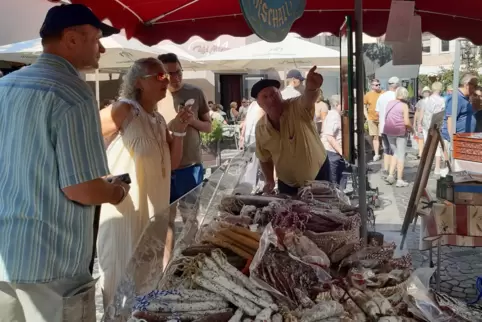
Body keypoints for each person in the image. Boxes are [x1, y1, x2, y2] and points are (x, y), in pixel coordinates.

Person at [0, 4, 131, 322]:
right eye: (96, 38)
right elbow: (81, 189)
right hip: (51, 259)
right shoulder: (73, 93)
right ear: (71, 39)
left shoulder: (6, 86)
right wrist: (115, 193)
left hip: (7, 255)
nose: (101, 48)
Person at [98, 57, 193, 308]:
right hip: (126, 212)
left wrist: (180, 129)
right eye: (160, 76)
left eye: (168, 76)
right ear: (139, 82)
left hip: (155, 212)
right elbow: (84, 135)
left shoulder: (158, 119)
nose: (168, 80)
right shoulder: (124, 110)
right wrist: (98, 180)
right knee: (118, 280)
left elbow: (172, 163)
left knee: (146, 279)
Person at [255, 66, 329, 195]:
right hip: (287, 183)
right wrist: (269, 180)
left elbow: (307, 100)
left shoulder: (296, 107)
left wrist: (311, 88)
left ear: (280, 94)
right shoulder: (260, 128)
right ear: (259, 103)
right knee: (289, 214)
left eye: (274, 94)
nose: (271, 99)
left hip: (318, 175)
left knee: (324, 213)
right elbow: (264, 158)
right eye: (265, 97)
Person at [158, 53, 212, 205]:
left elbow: (208, 127)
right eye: (170, 74)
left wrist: (192, 120)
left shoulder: (195, 92)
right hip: (162, 167)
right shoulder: (154, 95)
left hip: (190, 165)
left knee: (191, 218)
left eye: (178, 72)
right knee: (165, 219)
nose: (176, 78)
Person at [440, 73, 478, 160]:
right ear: (466, 85)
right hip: (454, 141)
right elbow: (450, 120)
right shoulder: (456, 98)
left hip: (462, 139)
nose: (475, 89)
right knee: (453, 169)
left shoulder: (465, 98)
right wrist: (454, 141)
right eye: (474, 86)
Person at [383, 87, 414, 187]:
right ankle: (400, 179)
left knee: (395, 153)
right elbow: (406, 122)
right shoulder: (404, 105)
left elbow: (386, 117)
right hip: (400, 132)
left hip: (388, 131)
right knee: (400, 155)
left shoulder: (389, 103)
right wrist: (412, 130)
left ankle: (391, 175)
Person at [420, 82, 446, 176]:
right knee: (437, 146)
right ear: (440, 89)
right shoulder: (442, 100)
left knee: (427, 145)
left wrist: (419, 123)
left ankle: (425, 166)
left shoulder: (426, 100)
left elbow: (422, 112)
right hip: (438, 125)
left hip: (427, 125)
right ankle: (437, 168)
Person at [376, 76, 400, 177]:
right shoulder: (397, 97)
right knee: (395, 150)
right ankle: (391, 171)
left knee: (386, 149)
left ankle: (386, 168)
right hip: (394, 128)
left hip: (383, 127)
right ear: (397, 85)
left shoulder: (382, 96)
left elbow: (377, 113)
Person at [321, 95, 345, 184]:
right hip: (332, 152)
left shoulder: (333, 114)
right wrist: (341, 152)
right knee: (333, 181)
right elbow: (329, 136)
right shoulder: (333, 116)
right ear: (337, 104)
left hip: (333, 152)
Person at [364, 78, 384, 161]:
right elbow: (364, 106)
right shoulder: (368, 95)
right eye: (376, 85)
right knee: (375, 137)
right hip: (372, 119)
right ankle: (376, 153)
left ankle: (384, 152)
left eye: (378, 84)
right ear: (372, 86)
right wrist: (367, 117)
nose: (377, 86)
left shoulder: (383, 93)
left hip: (382, 118)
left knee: (382, 136)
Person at [413, 86, 431, 159]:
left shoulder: (432, 102)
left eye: (427, 92)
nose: (426, 93)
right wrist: (415, 123)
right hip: (421, 123)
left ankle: (427, 153)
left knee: (427, 138)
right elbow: (417, 112)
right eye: (425, 92)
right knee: (421, 138)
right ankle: (421, 153)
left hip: (429, 123)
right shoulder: (420, 102)